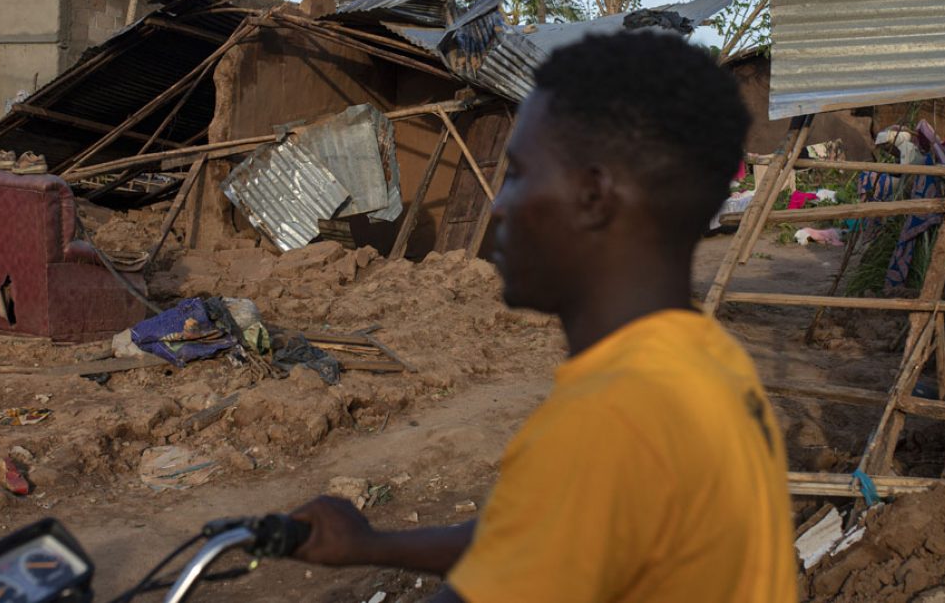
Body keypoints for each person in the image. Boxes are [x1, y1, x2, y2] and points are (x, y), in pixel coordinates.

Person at [291, 31, 796, 602]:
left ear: (592, 196)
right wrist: (371, 545)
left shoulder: (606, 420)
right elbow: (543, 537)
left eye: (520, 173)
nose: (497, 205)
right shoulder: (709, 360)